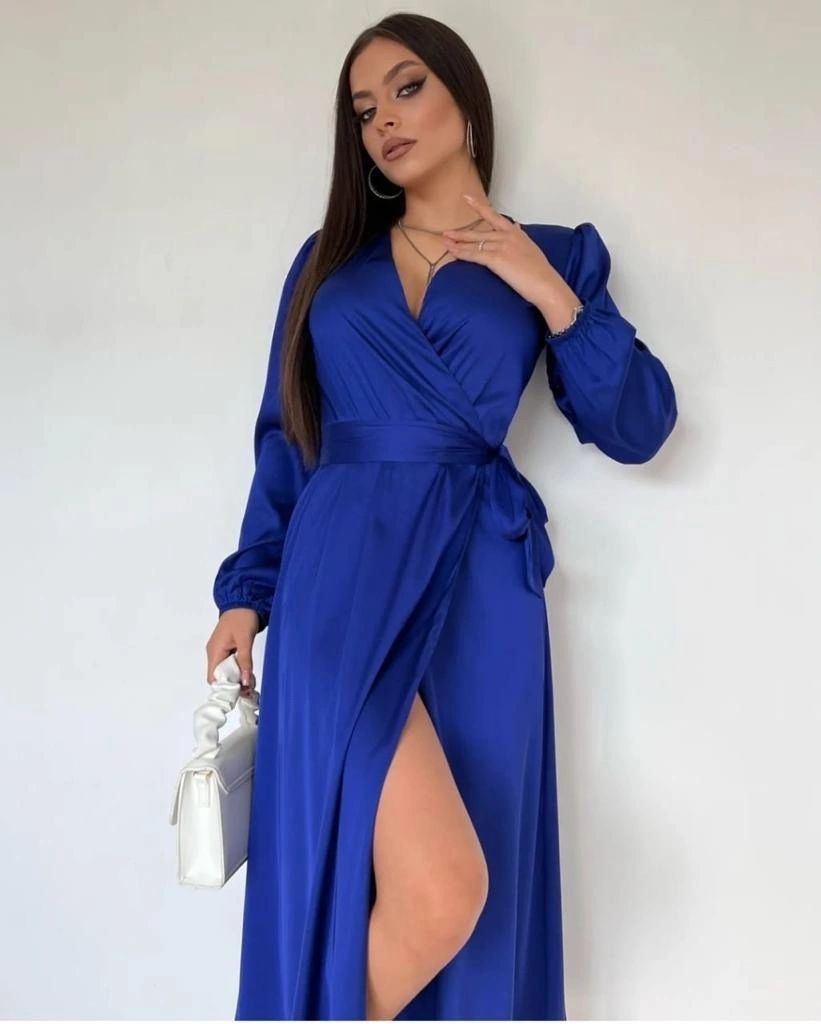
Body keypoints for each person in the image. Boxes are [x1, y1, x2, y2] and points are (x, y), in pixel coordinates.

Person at [205, 11, 677, 1022]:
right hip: (338, 577)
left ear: (465, 98)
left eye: (407, 87)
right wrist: (247, 591)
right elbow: (288, 438)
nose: (382, 120)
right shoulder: (328, 266)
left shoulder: (555, 255)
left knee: (473, 889)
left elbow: (637, 426)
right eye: (362, 109)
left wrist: (545, 290)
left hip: (479, 585)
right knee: (436, 889)